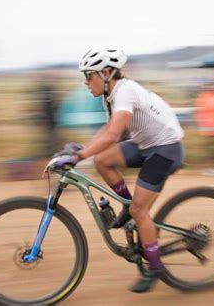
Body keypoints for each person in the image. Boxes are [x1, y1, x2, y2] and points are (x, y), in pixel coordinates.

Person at [48, 48, 184, 293]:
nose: (86, 82)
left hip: (165, 150)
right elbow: (110, 130)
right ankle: (128, 207)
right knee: (102, 160)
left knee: (140, 211)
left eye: (89, 76)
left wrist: (78, 156)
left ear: (107, 72)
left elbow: (112, 135)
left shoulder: (125, 91)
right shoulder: (110, 95)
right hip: (146, 145)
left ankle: (155, 267)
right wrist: (84, 148)